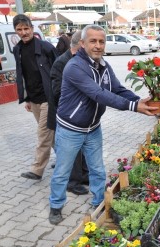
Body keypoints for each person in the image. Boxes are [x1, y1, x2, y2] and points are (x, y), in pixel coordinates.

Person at [48, 25, 157, 225]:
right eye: (93, 41)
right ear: (82, 43)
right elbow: (99, 94)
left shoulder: (104, 66)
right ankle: (56, 206)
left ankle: (99, 203)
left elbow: (117, 89)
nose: (98, 46)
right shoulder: (74, 67)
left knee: (97, 169)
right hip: (70, 129)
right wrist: (134, 107)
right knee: (63, 171)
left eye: (101, 41)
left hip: (93, 128)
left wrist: (141, 101)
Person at [13, 14, 58, 180]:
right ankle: (67, 160)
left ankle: (37, 170)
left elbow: (59, 70)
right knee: (51, 134)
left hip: (48, 99)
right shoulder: (17, 49)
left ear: (32, 28)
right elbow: (23, 75)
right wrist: (26, 98)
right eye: (19, 29)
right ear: (15, 31)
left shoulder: (45, 47)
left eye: (26, 28)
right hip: (34, 100)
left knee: (43, 133)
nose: (24, 32)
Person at [48, 30, 89, 196]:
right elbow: (57, 92)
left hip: (83, 112)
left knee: (84, 146)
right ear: (81, 44)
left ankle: (84, 175)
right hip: (68, 115)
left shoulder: (84, 59)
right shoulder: (61, 63)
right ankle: (72, 182)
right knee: (72, 149)